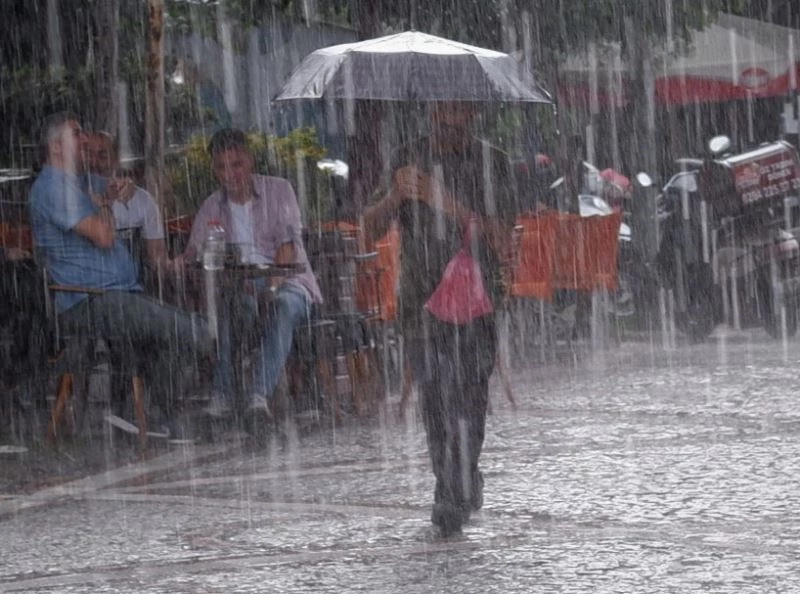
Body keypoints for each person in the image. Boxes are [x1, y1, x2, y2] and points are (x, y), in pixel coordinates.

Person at [362, 102, 516, 536]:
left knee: (468, 398)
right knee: (435, 400)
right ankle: (451, 488)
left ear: (472, 112)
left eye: (458, 110)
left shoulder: (493, 161)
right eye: (441, 110)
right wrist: (395, 194)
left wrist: (446, 203)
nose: (449, 118)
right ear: (430, 111)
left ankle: (459, 483)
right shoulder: (407, 158)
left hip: (478, 300)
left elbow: (504, 238)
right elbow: (368, 230)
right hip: (421, 303)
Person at [28, 112, 212, 430]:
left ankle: (137, 415)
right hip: (91, 301)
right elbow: (104, 235)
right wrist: (104, 204)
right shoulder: (53, 189)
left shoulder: (76, 180)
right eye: (77, 134)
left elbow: (115, 186)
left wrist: (122, 186)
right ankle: (152, 415)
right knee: (196, 333)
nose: (84, 139)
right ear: (56, 146)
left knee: (177, 336)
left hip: (117, 295)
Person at [180, 128, 322, 422]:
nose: (230, 174)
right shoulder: (211, 206)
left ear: (250, 160)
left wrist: (271, 288)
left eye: (237, 164)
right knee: (230, 308)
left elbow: (287, 248)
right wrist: (176, 263)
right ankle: (223, 396)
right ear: (214, 169)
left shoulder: (278, 190)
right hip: (242, 287)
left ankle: (258, 397)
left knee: (281, 307)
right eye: (221, 167)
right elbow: (194, 254)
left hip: (290, 282)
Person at [84, 131, 169, 273]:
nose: (94, 163)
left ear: (115, 159)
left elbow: (158, 258)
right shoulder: (76, 196)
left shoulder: (142, 200)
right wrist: (107, 201)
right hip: (93, 287)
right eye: (89, 155)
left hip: (133, 287)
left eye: (102, 156)